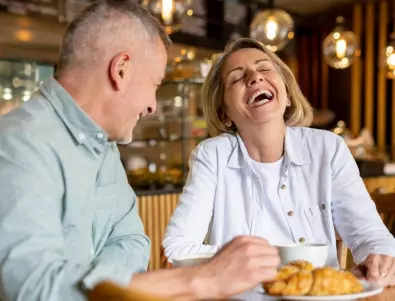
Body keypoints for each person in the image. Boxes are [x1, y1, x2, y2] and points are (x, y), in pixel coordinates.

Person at [0, 2, 280, 301]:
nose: (152, 106)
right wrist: (198, 280)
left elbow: (131, 240)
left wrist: (93, 285)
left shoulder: (103, 144)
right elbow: (33, 289)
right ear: (121, 70)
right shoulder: (17, 142)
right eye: (154, 83)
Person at [163, 37, 395, 287]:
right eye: (237, 77)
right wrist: (248, 259)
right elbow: (177, 249)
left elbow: (369, 235)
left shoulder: (328, 148)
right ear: (224, 113)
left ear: (286, 95)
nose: (255, 78)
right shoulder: (212, 156)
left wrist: (380, 259)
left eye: (264, 69)